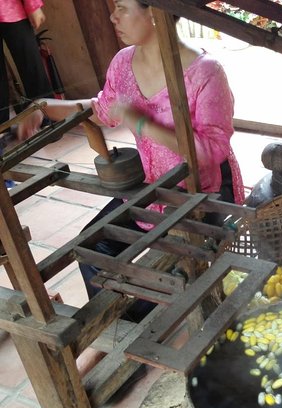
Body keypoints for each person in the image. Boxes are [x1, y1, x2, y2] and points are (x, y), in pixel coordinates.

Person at [18, 0, 244, 322]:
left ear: (154, 11)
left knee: (177, 266)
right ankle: (122, 328)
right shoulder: (123, 63)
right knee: (94, 250)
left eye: (122, 8)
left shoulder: (205, 72)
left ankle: (147, 316)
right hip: (152, 188)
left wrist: (144, 124)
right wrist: (45, 107)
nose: (113, 17)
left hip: (204, 192)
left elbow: (211, 149)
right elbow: (102, 109)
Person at [1, 0, 54, 186]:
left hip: (10, 7)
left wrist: (33, 5)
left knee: (31, 62)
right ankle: (2, 132)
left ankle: (49, 114)